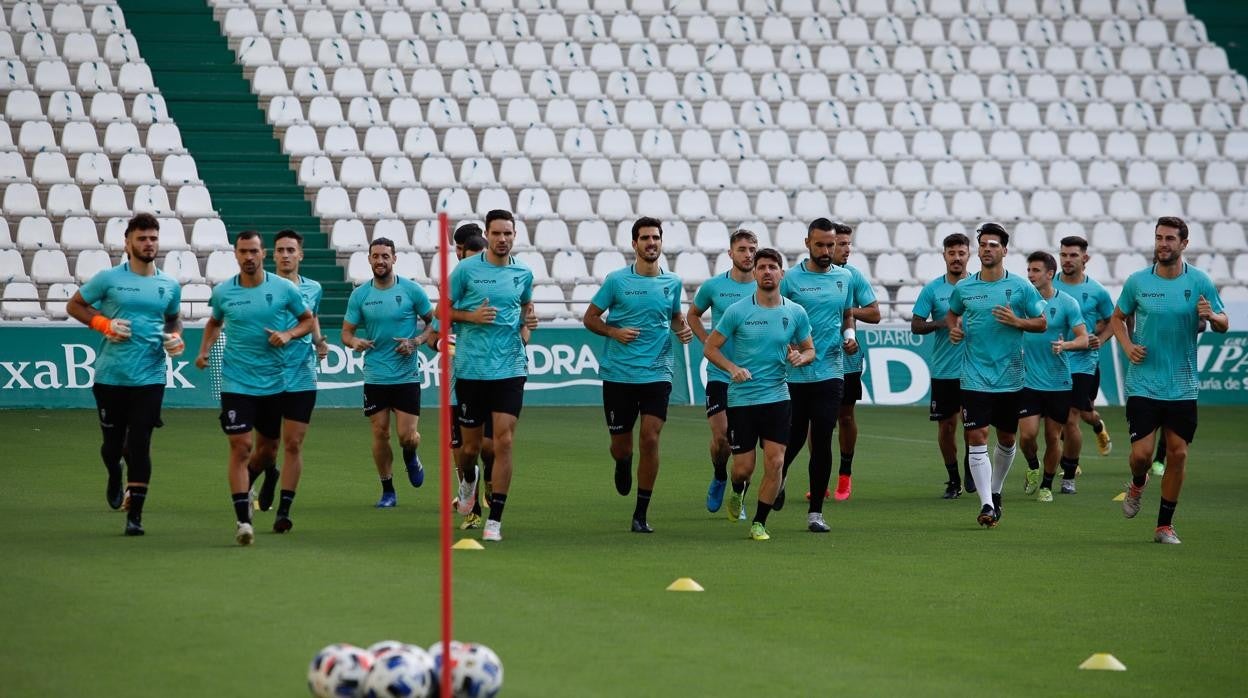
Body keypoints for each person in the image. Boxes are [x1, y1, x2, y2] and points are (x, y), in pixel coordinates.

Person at [1111, 216, 1228, 544]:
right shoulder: (1138, 281)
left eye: (1170, 238)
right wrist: (1128, 345)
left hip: (1182, 384)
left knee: (1177, 454)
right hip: (1143, 383)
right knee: (1142, 456)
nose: (1163, 243)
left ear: (1184, 244)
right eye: (1159, 237)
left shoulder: (1200, 282)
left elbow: (1222, 322)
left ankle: (1164, 525)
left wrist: (1212, 316)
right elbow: (1118, 318)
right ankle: (1137, 483)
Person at [67, 213, 182, 536]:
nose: (149, 244)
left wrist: (175, 338)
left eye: (153, 238)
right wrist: (104, 324)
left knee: (141, 444)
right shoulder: (108, 279)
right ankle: (114, 472)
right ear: (128, 242)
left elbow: (172, 320)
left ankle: (136, 516)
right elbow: (74, 306)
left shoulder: (169, 285)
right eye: (142, 238)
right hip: (111, 375)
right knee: (113, 446)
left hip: (150, 377)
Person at [195, 232, 313, 546]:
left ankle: (253, 485)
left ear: (263, 254)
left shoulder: (284, 288)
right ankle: (243, 520)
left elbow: (307, 320)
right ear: (236, 254)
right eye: (243, 251)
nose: (249, 257)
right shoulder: (224, 292)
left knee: (268, 451)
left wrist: (289, 335)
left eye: (254, 251)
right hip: (236, 382)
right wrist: (204, 350)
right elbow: (214, 322)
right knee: (241, 445)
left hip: (274, 384)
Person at [583, 216, 693, 533]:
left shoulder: (672, 282)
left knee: (650, 438)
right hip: (619, 374)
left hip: (658, 372)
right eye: (645, 238)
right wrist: (614, 332)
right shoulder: (617, 281)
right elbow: (590, 318)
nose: (651, 243)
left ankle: (641, 513)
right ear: (634, 244)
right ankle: (622, 461)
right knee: (622, 446)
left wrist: (682, 329)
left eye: (656, 238)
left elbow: (674, 318)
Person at [703, 248, 815, 541]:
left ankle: (759, 522)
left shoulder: (795, 312)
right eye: (762, 267)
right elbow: (710, 347)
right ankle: (737, 490)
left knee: (776, 462)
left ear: (781, 273)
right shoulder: (738, 311)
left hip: (778, 397)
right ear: (754, 273)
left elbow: (809, 348)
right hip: (742, 399)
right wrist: (731, 368)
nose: (767, 271)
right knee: (743, 469)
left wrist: (802, 358)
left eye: (772, 267)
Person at [946, 223, 1047, 528]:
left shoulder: (1020, 287)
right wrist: (956, 327)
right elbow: (953, 312)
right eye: (983, 245)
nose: (987, 249)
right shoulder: (964, 288)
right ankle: (987, 505)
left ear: (1004, 250)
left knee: (1006, 437)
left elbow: (1041, 323)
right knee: (977, 436)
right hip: (974, 375)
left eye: (993, 244)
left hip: (1011, 377)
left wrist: (1017, 321)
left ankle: (996, 491)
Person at [449, 209, 538, 542]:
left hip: (510, 368)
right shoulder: (466, 270)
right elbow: (443, 310)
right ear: (487, 234)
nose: (503, 239)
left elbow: (526, 309)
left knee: (504, 441)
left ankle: (495, 520)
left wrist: (529, 323)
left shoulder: (524, 273)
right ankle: (468, 483)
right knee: (470, 449)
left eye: (508, 234)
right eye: (497, 233)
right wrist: (470, 316)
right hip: (472, 369)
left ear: (515, 235)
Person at [776, 219, 857, 533]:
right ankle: (778, 477)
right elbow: (777, 315)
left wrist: (849, 334)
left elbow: (847, 312)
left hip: (830, 372)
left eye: (831, 245)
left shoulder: (844, 278)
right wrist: (789, 347)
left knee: (823, 438)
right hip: (795, 374)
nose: (827, 251)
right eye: (821, 245)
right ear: (807, 243)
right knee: (792, 439)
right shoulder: (791, 279)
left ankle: (815, 513)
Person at [341, 237, 434, 508]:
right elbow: (347, 332)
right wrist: (354, 342)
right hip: (376, 376)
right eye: (375, 256)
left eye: (385, 256)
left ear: (394, 259)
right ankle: (388, 490)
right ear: (369, 260)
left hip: (406, 376)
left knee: (408, 437)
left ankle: (411, 455)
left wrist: (415, 342)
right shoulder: (360, 295)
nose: (380, 260)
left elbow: (432, 323)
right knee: (380, 433)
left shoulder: (411, 290)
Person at [260, 229, 330, 532]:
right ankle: (268, 473)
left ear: (300, 254)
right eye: (280, 250)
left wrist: (318, 342)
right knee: (266, 447)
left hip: (302, 375)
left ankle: (284, 510)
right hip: (266, 376)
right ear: (273, 255)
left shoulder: (313, 287)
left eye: (291, 250)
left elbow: (311, 316)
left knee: (294, 444)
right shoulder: (261, 287)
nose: (286, 255)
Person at [687, 229, 757, 516]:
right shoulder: (714, 286)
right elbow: (693, 314)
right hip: (720, 374)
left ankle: (738, 496)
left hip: (756, 377)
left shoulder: (768, 285)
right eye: (742, 249)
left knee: (748, 445)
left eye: (753, 249)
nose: (748, 254)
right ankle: (719, 475)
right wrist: (707, 341)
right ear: (730, 253)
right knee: (722, 440)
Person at [430, 228, 493, 530]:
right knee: (464, 455)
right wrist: (443, 342)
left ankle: (492, 487)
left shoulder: (497, 294)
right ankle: (472, 507)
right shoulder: (452, 297)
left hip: (493, 381)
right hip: (458, 389)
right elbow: (433, 335)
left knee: (492, 448)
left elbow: (521, 329)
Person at [1018, 252, 1089, 503]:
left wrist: (1066, 345)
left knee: (1052, 436)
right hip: (1027, 381)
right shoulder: (1021, 301)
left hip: (1058, 382)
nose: (1030, 275)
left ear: (1050, 274)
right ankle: (1033, 464)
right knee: (1026, 435)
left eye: (1036, 270)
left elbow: (1084, 337)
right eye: (1029, 270)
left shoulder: (1068, 303)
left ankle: (1047, 485)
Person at [910, 233, 970, 499]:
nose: (956, 258)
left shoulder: (980, 287)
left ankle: (973, 467)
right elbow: (916, 325)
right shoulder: (933, 290)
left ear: (969, 255)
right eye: (951, 253)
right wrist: (941, 323)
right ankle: (953, 478)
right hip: (945, 370)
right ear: (944, 255)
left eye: (961, 253)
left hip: (975, 370)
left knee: (974, 427)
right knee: (946, 428)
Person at [1052, 236, 1116, 476]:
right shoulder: (1049, 286)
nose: (1067, 260)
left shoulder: (1097, 291)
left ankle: (1070, 466)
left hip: (1083, 362)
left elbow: (1113, 321)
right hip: (1055, 360)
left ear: (1085, 258)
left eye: (1073, 255)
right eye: (1064, 255)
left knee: (1071, 417)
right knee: (1078, 417)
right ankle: (1098, 426)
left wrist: (1102, 338)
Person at [829, 222, 881, 501]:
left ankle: (845, 475)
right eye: (841, 244)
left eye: (849, 244)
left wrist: (848, 310)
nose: (846, 249)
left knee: (845, 416)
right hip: (817, 360)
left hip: (848, 359)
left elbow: (875, 314)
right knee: (818, 422)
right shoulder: (807, 276)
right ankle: (821, 477)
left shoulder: (852, 275)